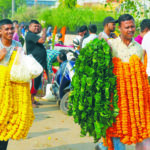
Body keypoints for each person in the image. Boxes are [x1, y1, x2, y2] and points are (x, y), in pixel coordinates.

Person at [96, 14, 150, 150]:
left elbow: (141, 74)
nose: (130, 30)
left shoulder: (138, 48)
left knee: (134, 131)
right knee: (115, 132)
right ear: (119, 28)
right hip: (115, 97)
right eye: (127, 27)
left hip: (132, 100)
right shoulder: (111, 45)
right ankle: (104, 146)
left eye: (132, 27)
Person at [0, 19, 34, 150]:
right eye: (6, 29)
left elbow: (22, 65)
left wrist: (21, 55)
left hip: (12, 90)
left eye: (11, 29)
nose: (9, 31)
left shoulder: (18, 44)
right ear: (0, 31)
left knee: (7, 121)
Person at [25, 20, 47, 107]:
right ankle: (30, 101)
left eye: (38, 26)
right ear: (30, 27)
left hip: (38, 63)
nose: (37, 28)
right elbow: (42, 41)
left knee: (37, 82)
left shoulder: (34, 35)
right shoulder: (30, 35)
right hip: (34, 63)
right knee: (34, 82)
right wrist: (44, 32)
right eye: (35, 26)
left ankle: (33, 99)